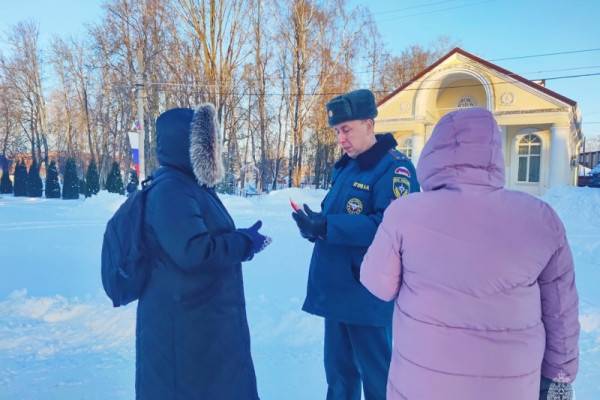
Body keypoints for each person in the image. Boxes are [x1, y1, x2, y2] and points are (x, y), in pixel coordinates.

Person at [360, 107, 579, 400]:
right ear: (494, 153)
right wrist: (560, 378)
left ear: (434, 152)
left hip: (422, 385)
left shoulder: (405, 212)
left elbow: (378, 284)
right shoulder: (540, 218)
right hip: (509, 387)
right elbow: (561, 312)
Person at [136, 105, 271, 400]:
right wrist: (244, 243)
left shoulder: (189, 186)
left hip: (201, 323)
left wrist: (240, 238)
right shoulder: (171, 190)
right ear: (186, 145)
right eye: (206, 142)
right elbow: (194, 252)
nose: (214, 149)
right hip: (184, 328)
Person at [292, 89, 420, 400]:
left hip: (368, 294)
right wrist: (316, 226)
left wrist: (329, 226)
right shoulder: (348, 166)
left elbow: (390, 224)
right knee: (339, 377)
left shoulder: (394, 168)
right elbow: (341, 218)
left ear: (368, 123)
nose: (341, 139)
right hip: (338, 290)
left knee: (377, 380)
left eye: (346, 129)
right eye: (337, 131)